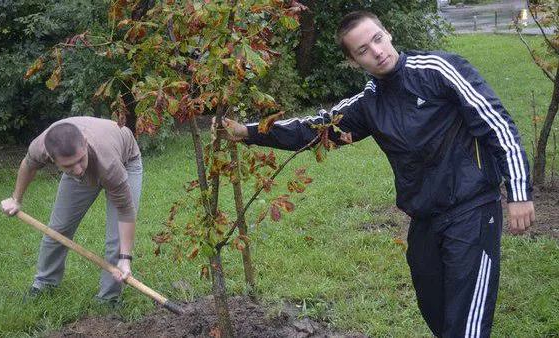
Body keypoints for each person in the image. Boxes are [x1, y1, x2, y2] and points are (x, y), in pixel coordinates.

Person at [216, 10, 535, 338]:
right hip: (425, 219)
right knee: (437, 310)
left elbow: (496, 123)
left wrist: (519, 191)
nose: (377, 51)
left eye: (378, 39)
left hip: (472, 209)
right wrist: (248, 131)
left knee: (466, 326)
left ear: (389, 34)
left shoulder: (439, 70)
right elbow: (315, 128)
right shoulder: (369, 104)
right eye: (363, 50)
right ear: (353, 62)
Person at [0, 116, 142, 304]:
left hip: (124, 160)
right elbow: (28, 165)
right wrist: (15, 199)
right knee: (58, 229)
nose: (77, 170)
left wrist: (125, 258)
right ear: (51, 158)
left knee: (117, 240)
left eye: (79, 160)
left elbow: (125, 210)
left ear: (84, 143)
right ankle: (44, 283)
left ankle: (108, 298)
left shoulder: (109, 164)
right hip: (94, 159)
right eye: (67, 166)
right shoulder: (41, 146)